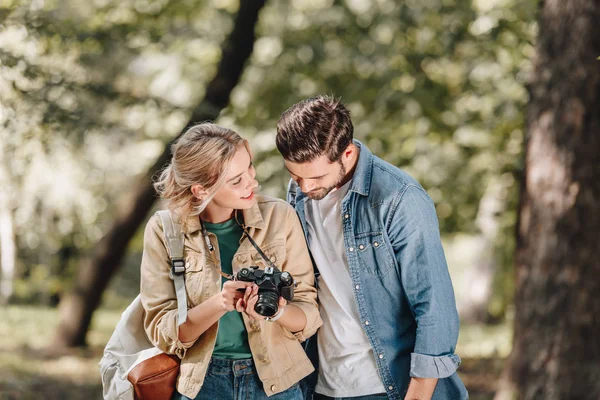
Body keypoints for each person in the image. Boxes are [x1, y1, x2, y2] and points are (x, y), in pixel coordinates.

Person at [275, 96, 468, 400]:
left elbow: (435, 306)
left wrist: (418, 395)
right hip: (321, 385)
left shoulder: (399, 199)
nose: (305, 188)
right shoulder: (299, 194)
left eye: (315, 177)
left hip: (389, 388)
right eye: (295, 176)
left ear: (347, 153)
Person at [141, 123, 322, 400]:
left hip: (277, 382)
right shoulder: (165, 230)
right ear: (201, 190)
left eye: (249, 168)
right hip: (203, 384)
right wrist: (219, 303)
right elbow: (162, 331)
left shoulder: (280, 217)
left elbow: (309, 314)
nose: (252, 182)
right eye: (236, 180)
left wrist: (277, 312)